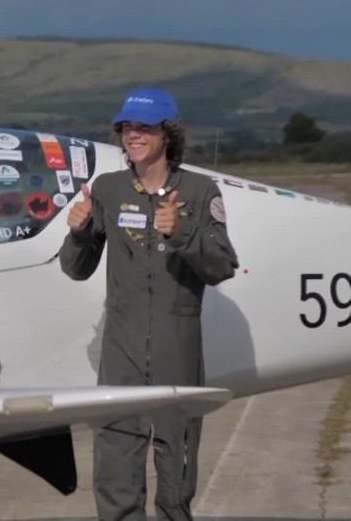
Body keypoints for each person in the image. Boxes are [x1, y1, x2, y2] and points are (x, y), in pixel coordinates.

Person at [58, 87, 239, 521]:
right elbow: (76, 269)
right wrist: (79, 233)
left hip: (178, 342)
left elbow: (221, 266)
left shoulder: (199, 190)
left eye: (144, 127)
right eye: (126, 127)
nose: (133, 135)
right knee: (116, 455)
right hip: (121, 346)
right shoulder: (107, 189)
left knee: (177, 458)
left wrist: (181, 233)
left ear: (167, 133)